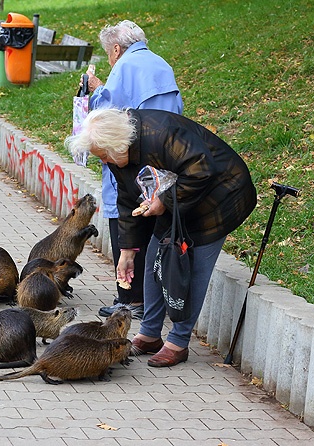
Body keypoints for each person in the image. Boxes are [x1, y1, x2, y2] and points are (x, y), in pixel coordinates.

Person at [65, 108, 257, 367]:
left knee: (188, 266)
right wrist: (127, 251)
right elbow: (126, 198)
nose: (105, 162)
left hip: (219, 198)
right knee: (156, 257)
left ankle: (178, 342)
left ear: (117, 145)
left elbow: (201, 170)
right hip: (176, 201)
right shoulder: (119, 154)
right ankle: (150, 333)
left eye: (104, 156)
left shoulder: (163, 135)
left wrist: (163, 201)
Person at [83, 20, 183, 320]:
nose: (111, 59)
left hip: (131, 156)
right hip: (165, 155)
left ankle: (129, 299)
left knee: (125, 218)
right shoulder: (161, 64)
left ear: (116, 48)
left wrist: (96, 88)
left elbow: (107, 115)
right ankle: (153, 299)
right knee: (153, 221)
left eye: (109, 53)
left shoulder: (124, 68)